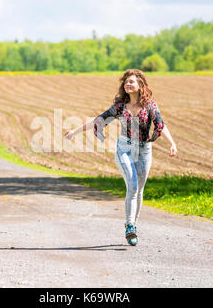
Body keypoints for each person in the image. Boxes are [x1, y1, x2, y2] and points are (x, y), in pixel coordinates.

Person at [64, 69, 177, 246]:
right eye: (126, 82)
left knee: (139, 190)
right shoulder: (119, 107)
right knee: (132, 184)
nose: (127, 84)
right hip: (124, 148)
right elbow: (98, 120)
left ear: (140, 85)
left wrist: (172, 143)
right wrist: (74, 132)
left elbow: (161, 125)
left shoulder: (150, 106)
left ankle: (132, 225)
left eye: (131, 81)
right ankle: (130, 226)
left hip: (144, 150)